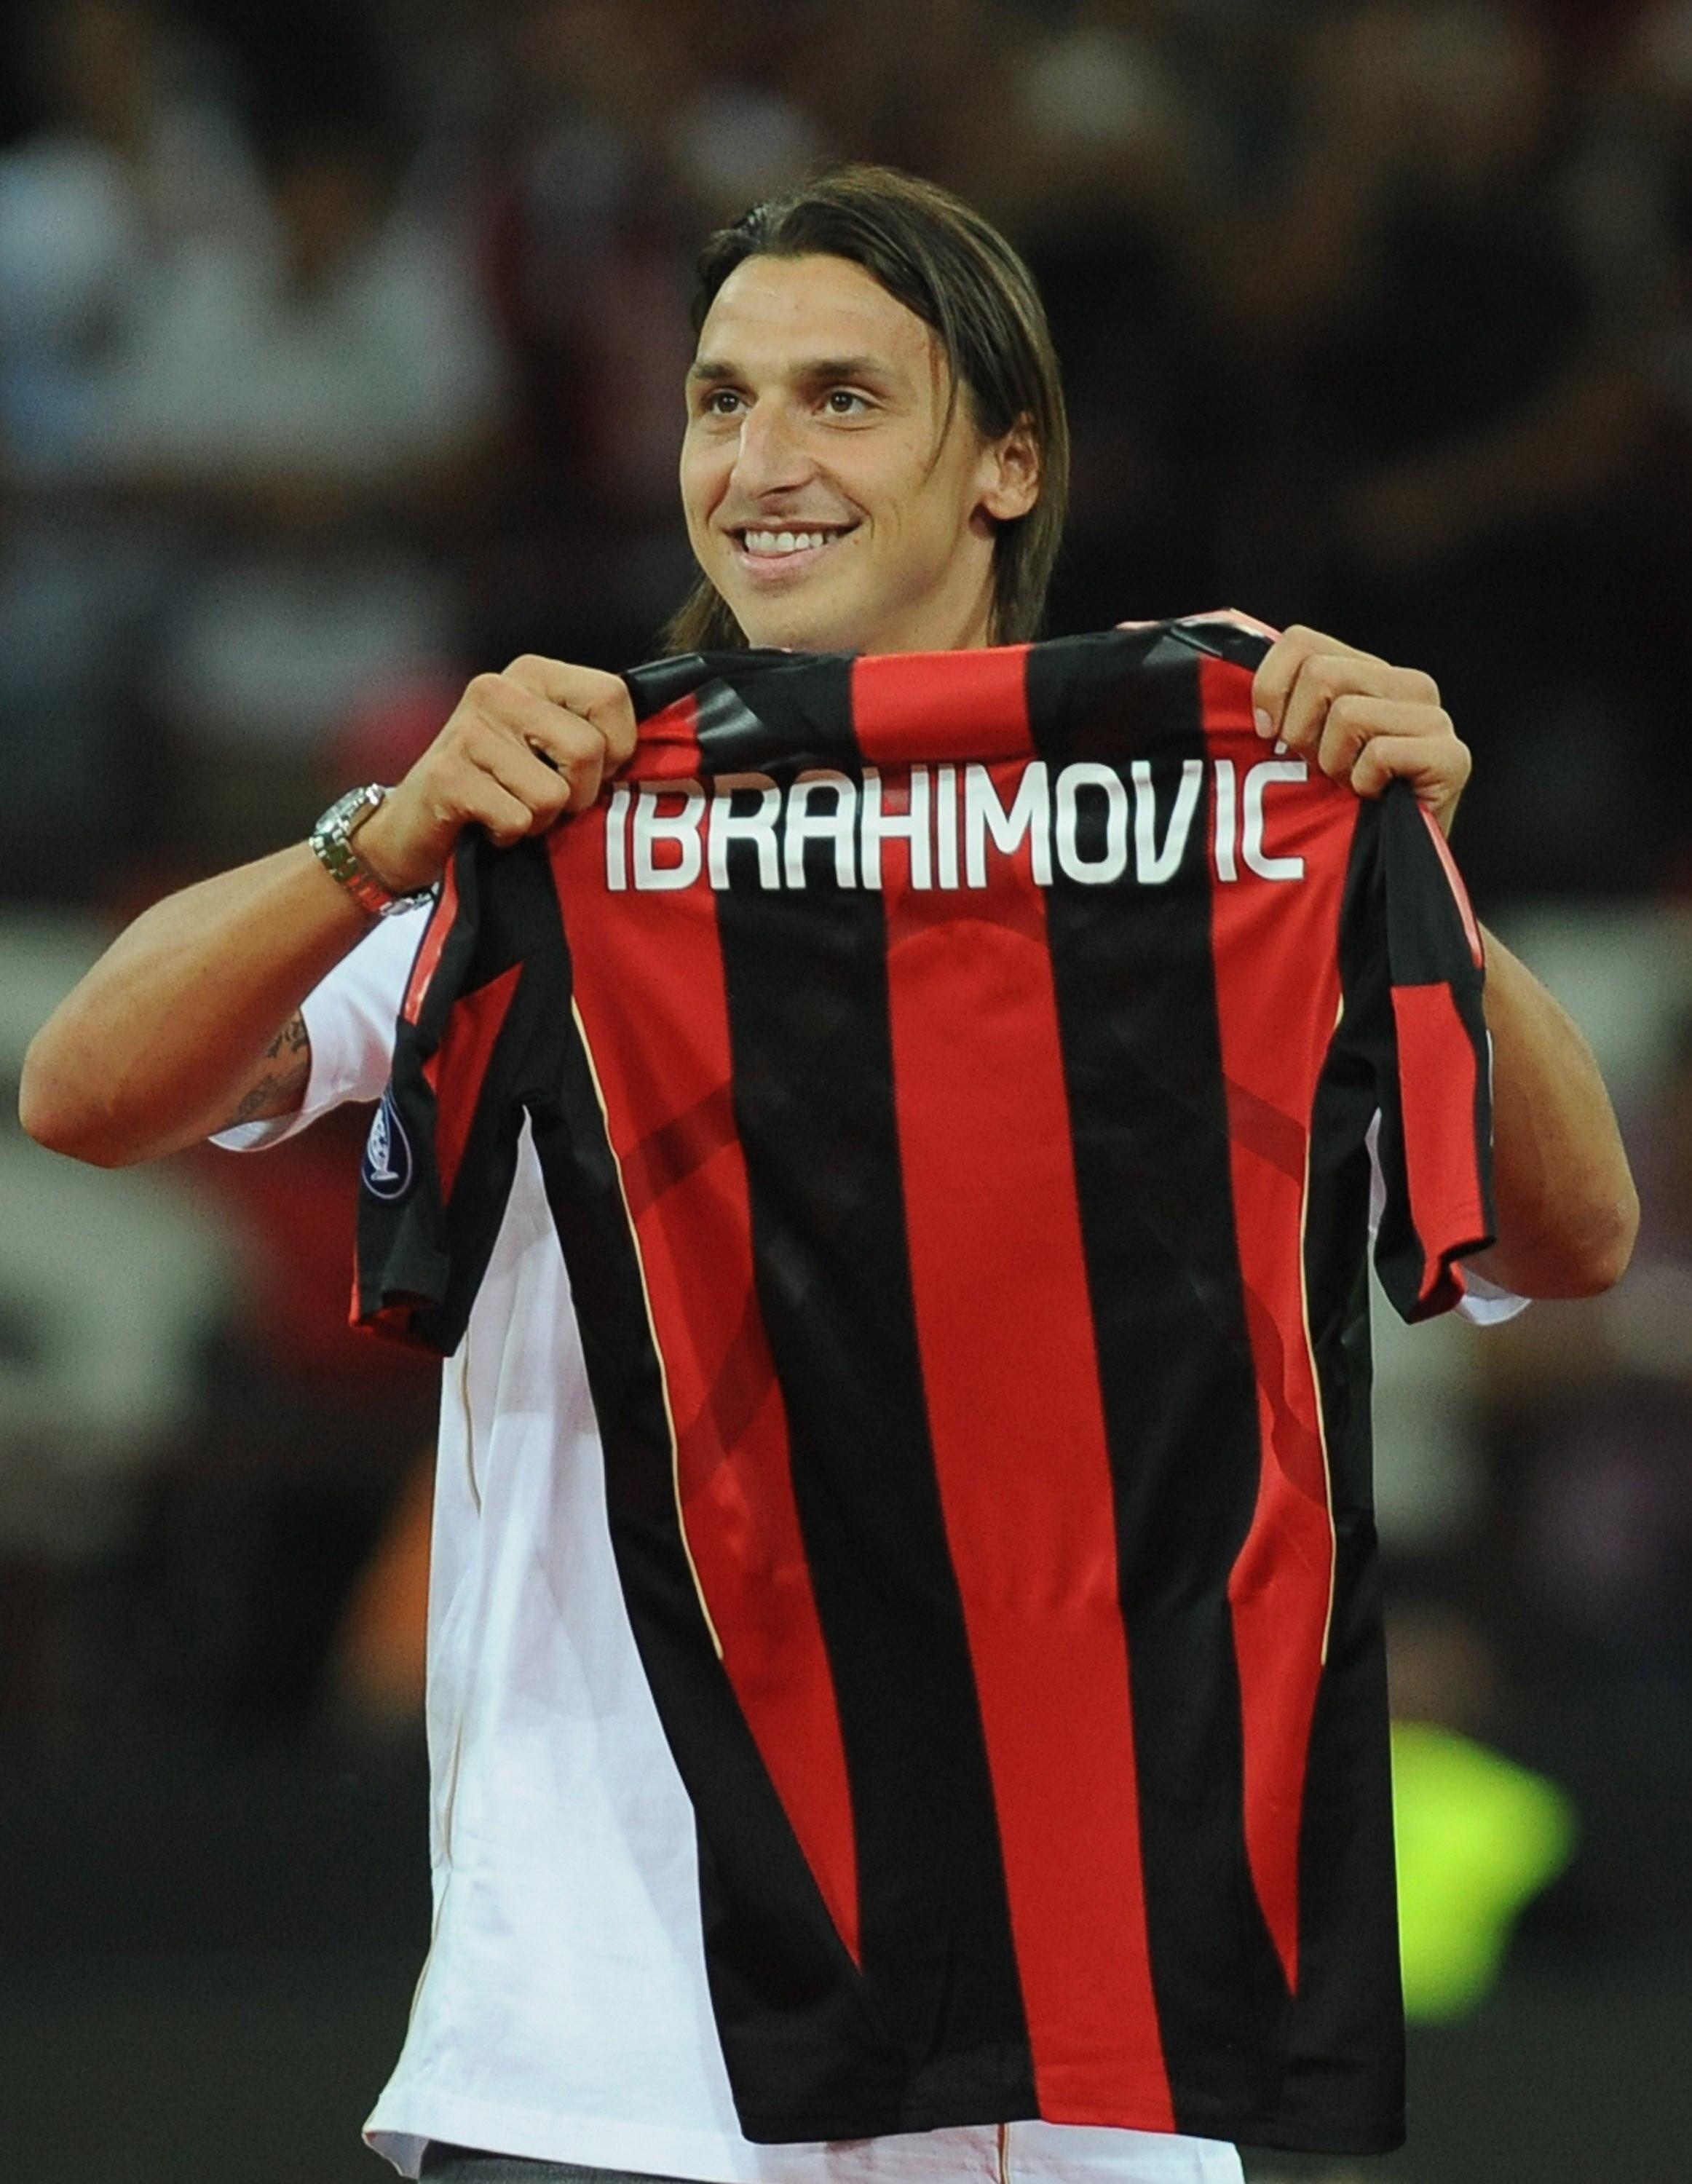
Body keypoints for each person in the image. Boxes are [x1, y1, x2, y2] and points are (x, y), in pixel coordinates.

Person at [20, 166, 1635, 2184]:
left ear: (1005, 462)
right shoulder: (551, 809)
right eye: (718, 401)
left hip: (1090, 2065)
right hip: (613, 2052)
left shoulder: (1216, 822)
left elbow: (1570, 1238)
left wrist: (1409, 867)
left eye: (841, 400)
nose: (757, 461)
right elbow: (85, 1092)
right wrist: (390, 827)